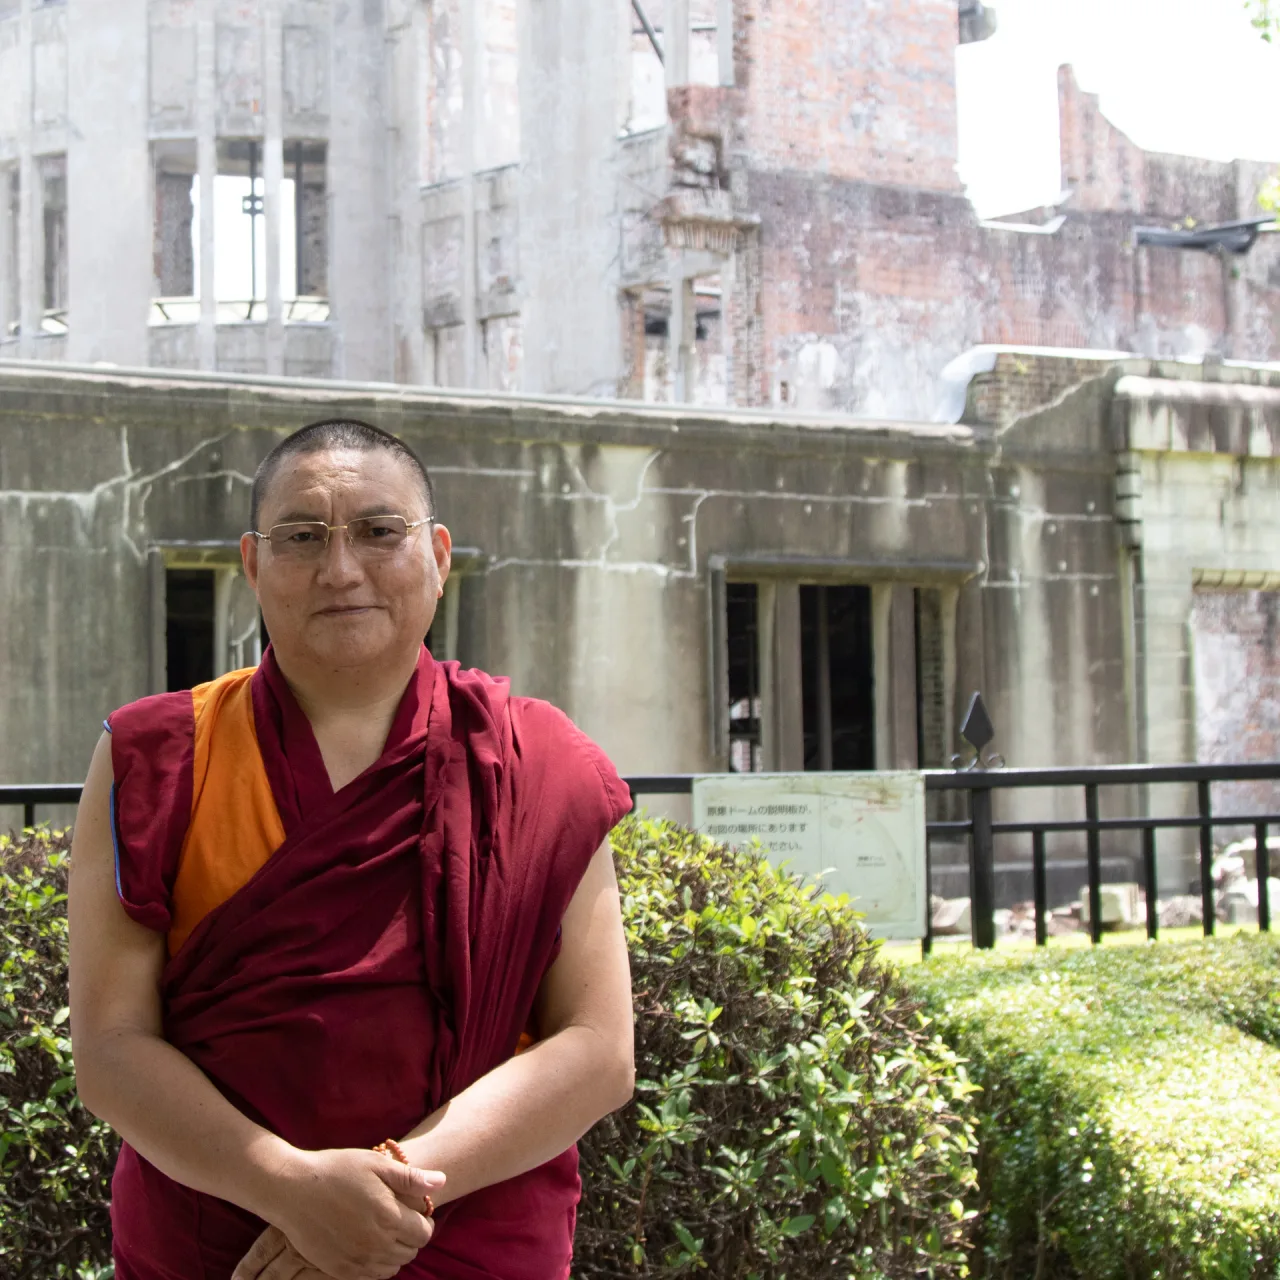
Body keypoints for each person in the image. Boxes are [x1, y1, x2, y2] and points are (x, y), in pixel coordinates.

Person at [68, 419, 636, 1280]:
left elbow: (597, 1047)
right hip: (223, 1249)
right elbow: (111, 1047)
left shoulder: (536, 761)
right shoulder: (158, 755)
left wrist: (384, 1196)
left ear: (437, 556)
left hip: (466, 1238)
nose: (340, 570)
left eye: (378, 531)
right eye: (302, 537)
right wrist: (288, 1187)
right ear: (253, 565)